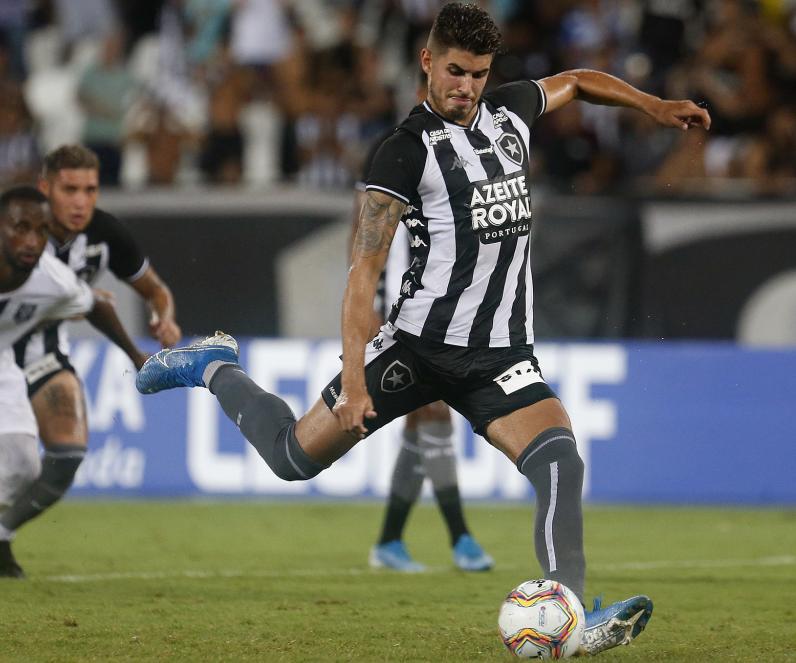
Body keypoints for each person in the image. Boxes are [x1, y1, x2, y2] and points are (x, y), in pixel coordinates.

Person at [136, 3, 710, 655]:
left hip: (499, 356)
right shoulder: (404, 154)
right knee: (292, 458)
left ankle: (569, 612)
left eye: (480, 74)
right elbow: (362, 276)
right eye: (457, 71)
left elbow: (577, 79)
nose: (466, 87)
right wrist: (354, 383)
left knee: (559, 459)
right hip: (416, 350)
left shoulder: (510, 114)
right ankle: (214, 365)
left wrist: (654, 105)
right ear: (428, 62)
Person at [3, 145, 180, 573]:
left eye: (91, 190)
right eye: (70, 189)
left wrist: (162, 321)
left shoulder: (102, 238)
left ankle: (2, 534)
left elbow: (152, 292)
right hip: (14, 338)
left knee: (56, 454)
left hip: (35, 350)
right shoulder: (18, 229)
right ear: (46, 189)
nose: (81, 201)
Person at [353, 74, 493, 573]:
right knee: (433, 416)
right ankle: (460, 538)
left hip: (439, 309)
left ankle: (390, 540)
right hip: (404, 311)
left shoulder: (472, 149)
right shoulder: (396, 150)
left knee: (423, 423)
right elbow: (363, 231)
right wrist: (367, 305)